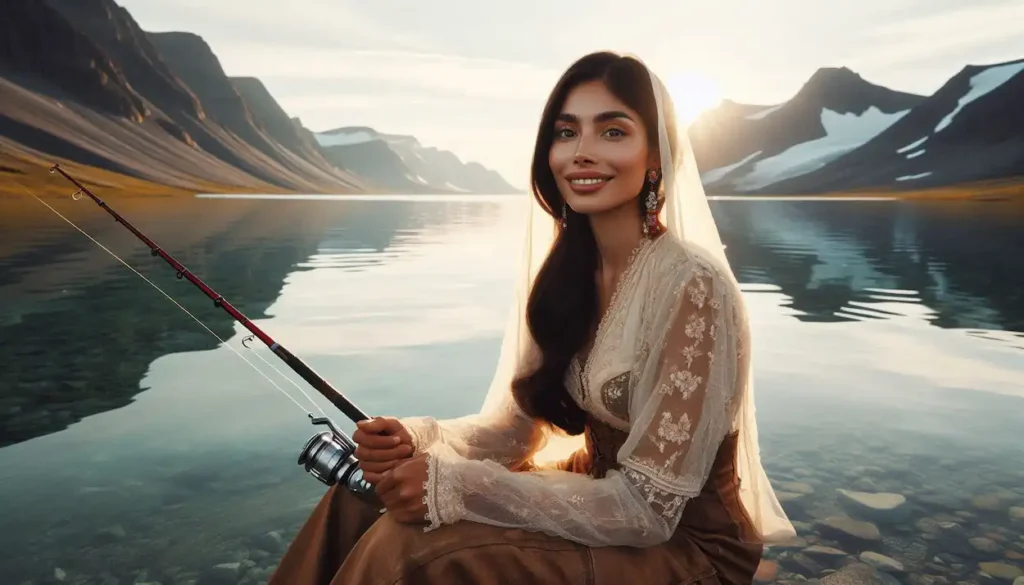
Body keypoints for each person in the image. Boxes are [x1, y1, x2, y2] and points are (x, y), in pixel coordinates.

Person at [267, 50, 796, 585]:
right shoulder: (568, 274)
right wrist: (415, 441)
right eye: (566, 133)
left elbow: (650, 509)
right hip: (601, 491)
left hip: (685, 543)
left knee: (412, 546)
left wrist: (451, 488)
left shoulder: (693, 286)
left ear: (656, 154)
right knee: (357, 495)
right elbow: (514, 432)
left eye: (613, 132)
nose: (583, 153)